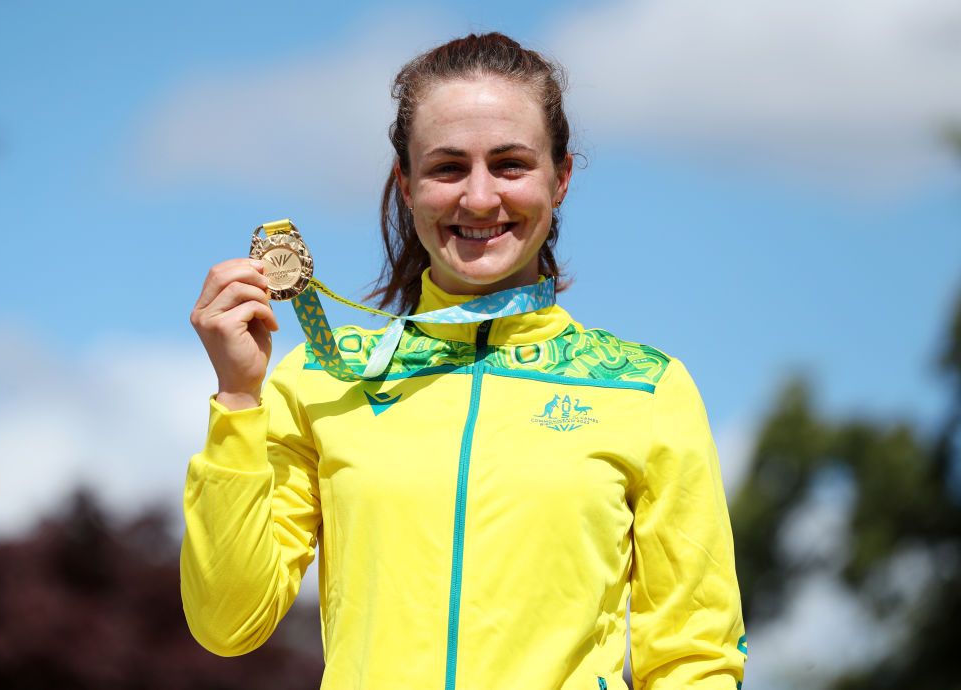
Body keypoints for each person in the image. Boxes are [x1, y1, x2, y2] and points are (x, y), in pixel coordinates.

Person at [181, 32, 747, 690]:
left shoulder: (646, 390)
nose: (479, 198)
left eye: (510, 165)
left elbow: (694, 660)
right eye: (448, 168)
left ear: (560, 177)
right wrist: (240, 400)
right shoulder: (324, 378)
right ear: (407, 183)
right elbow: (228, 621)